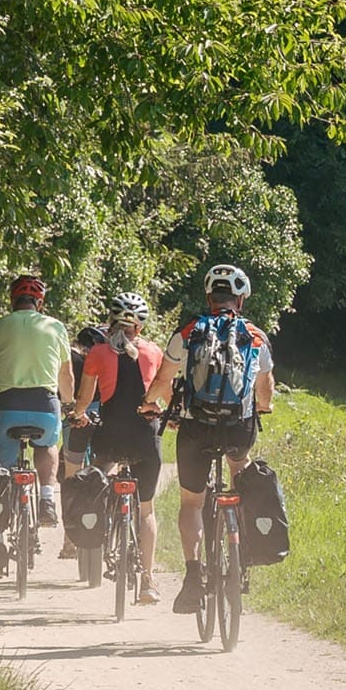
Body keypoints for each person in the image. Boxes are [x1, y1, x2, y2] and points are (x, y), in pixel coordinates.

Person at [145, 263, 274, 614]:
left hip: (195, 427)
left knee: (192, 504)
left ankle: (192, 575)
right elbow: (265, 386)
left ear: (208, 296)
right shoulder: (254, 335)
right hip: (238, 427)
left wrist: (148, 404)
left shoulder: (189, 332)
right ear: (240, 299)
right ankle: (241, 547)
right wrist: (264, 407)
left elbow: (162, 379)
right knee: (241, 474)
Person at [0, 272, 75, 580]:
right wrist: (69, 406)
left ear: (13, 301)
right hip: (44, 406)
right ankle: (47, 501)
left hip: (7, 407)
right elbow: (66, 377)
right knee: (47, 445)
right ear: (39, 303)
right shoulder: (55, 327)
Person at [69, 292, 168, 602]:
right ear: (139, 327)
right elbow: (163, 396)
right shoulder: (154, 352)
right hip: (145, 440)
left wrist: (78, 415)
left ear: (110, 322)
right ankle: (148, 581)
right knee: (146, 510)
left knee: (98, 476)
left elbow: (85, 400)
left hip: (110, 438)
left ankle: (97, 528)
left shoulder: (97, 354)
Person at [58, 317, 107, 560]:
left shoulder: (72, 358)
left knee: (70, 478)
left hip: (76, 419)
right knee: (107, 472)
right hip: (103, 420)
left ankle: (69, 542)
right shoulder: (107, 360)